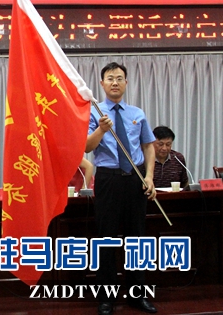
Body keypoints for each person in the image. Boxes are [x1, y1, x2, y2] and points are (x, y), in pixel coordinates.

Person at [85, 62, 157, 315]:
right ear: (102, 84)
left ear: (126, 83)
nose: (114, 82)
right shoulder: (94, 112)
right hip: (108, 179)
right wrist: (102, 129)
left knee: (137, 239)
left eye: (119, 78)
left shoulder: (137, 113)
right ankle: (106, 298)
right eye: (110, 78)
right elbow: (86, 146)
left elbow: (148, 146)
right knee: (106, 238)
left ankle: (138, 295)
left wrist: (149, 177)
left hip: (135, 179)